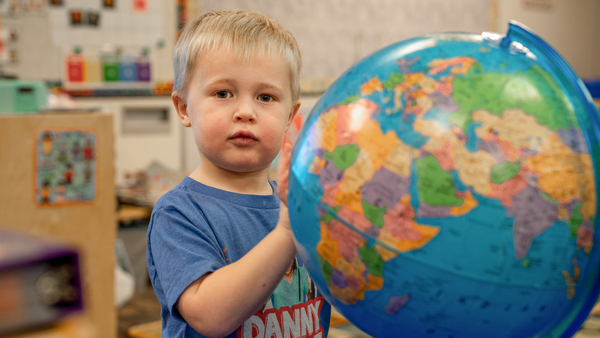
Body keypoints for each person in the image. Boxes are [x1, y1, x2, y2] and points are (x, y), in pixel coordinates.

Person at [146, 9, 331, 338]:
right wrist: (288, 231)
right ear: (184, 108)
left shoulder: (299, 205)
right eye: (223, 93)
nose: (245, 112)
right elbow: (210, 317)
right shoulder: (177, 214)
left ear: (290, 115)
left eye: (265, 97)